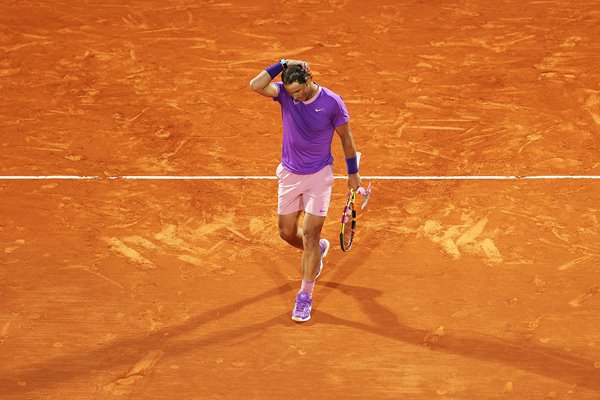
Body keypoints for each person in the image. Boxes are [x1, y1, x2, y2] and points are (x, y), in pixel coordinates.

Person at [250, 58, 361, 322]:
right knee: (287, 233)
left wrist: (353, 172)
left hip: (319, 176)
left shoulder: (332, 102)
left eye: (299, 91)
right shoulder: (286, 96)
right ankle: (319, 250)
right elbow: (256, 85)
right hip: (290, 174)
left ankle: (305, 295)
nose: (295, 97)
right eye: (291, 93)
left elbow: (346, 136)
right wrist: (282, 63)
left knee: (310, 234)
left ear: (309, 80)